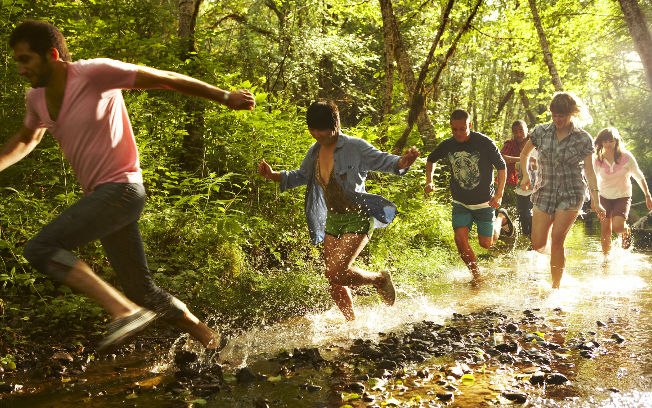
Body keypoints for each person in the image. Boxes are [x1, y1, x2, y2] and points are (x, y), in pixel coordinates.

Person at [3, 20, 256, 350]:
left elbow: (165, 80)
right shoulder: (35, 99)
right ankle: (212, 340)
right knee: (142, 290)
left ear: (51, 54)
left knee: (40, 248)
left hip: (122, 189)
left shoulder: (94, 74)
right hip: (103, 200)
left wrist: (224, 96)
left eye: (25, 59)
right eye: (17, 61)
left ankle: (122, 311)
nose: (20, 69)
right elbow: (26, 138)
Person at [257, 100, 419, 320]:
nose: (316, 135)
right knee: (334, 280)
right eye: (312, 130)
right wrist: (273, 175)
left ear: (335, 126)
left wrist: (402, 162)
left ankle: (379, 279)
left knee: (336, 272)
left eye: (321, 130)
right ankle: (351, 323)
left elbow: (383, 161)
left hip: (358, 216)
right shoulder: (314, 152)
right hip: (332, 219)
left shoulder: (355, 147)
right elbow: (301, 176)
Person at [519, 92, 605, 288]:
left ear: (572, 113)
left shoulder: (583, 138)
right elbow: (524, 154)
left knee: (558, 239)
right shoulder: (540, 132)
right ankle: (556, 259)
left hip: (571, 193)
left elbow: (590, 171)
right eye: (554, 115)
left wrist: (595, 199)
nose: (558, 120)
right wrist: (525, 175)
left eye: (562, 116)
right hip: (544, 191)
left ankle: (555, 289)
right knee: (538, 244)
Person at [424, 109, 513, 282]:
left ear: (470, 125)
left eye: (462, 129)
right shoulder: (448, 144)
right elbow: (431, 159)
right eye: (454, 129)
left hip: (484, 203)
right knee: (460, 240)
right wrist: (429, 180)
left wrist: (500, 194)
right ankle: (477, 276)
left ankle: (501, 218)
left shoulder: (484, 143)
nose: (458, 133)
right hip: (461, 203)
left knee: (486, 244)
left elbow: (502, 166)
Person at [593, 127, 652, 256]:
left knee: (618, 227)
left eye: (611, 141)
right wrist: (594, 200)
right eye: (605, 141)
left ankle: (626, 230)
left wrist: (647, 195)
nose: (608, 144)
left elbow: (639, 176)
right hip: (603, 196)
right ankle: (606, 259)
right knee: (605, 230)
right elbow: (592, 180)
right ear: (601, 142)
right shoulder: (597, 159)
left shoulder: (626, 157)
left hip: (622, 196)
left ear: (616, 141)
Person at [501, 120, 537, 238]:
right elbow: (503, 158)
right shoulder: (510, 144)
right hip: (520, 184)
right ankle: (526, 238)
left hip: (538, 183)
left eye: (521, 130)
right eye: (515, 132)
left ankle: (535, 240)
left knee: (535, 213)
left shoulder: (536, 142)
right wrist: (523, 159)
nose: (518, 134)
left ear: (527, 129)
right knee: (523, 214)